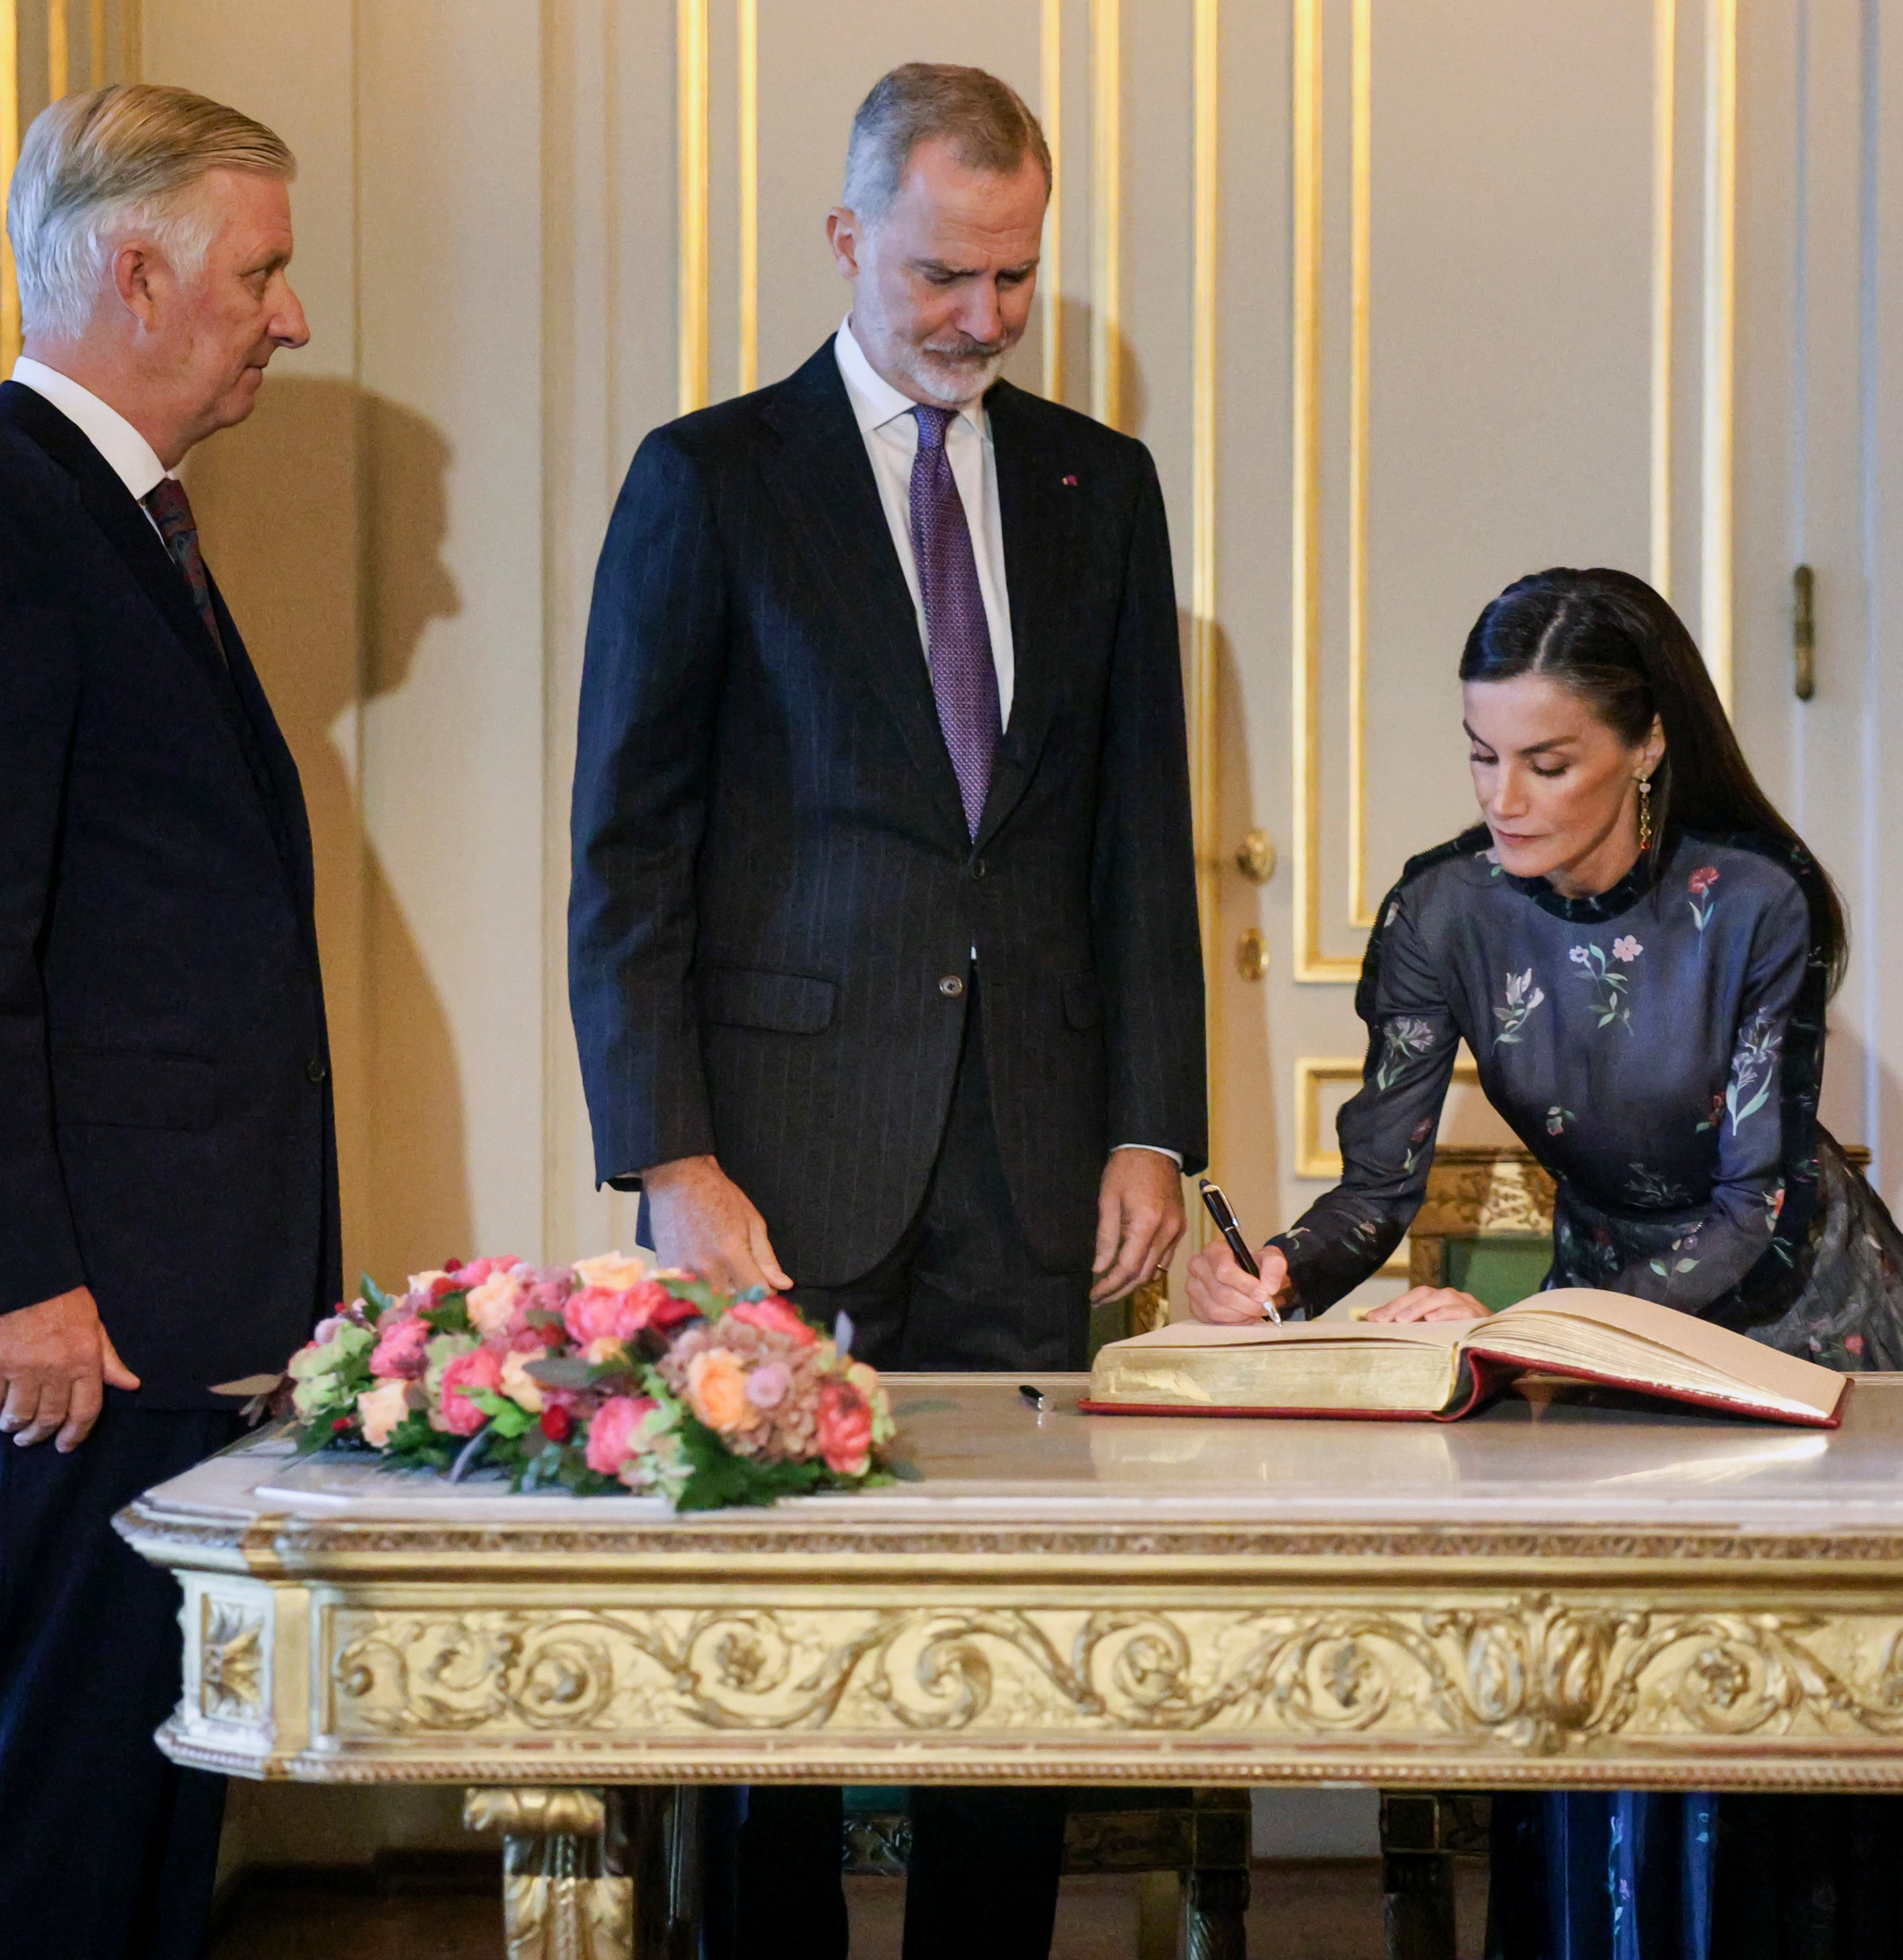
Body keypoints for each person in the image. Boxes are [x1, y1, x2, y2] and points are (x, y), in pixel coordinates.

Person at [569, 60, 1206, 1960]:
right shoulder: (708, 481)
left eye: (1014, 279)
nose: (982, 321)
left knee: (999, 1659)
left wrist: (1150, 1124)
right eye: (943, 275)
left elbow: (1133, 839)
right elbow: (627, 860)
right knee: (776, 1670)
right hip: (772, 1173)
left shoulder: (1103, 486)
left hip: (1029, 1162)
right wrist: (667, 1158)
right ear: (849, 240)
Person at [1181, 567, 1903, 1960]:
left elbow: (1753, 1205)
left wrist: (1537, 1327)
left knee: (1795, 1707)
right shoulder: (1441, 914)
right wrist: (1277, 1271)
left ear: (1644, 748)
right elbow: (1378, 1188)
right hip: (1590, 1326)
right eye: (1479, 756)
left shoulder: (1760, 902)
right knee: (1603, 1687)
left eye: (1546, 760)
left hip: (1802, 1314)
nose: (1501, 797)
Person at [0, 85, 331, 1960]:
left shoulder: (120, 525)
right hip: (51, 1343)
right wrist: (17, 1282)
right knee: (30, 1851)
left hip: (150, 1334)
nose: (288, 316)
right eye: (260, 271)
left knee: (132, 1850)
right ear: (138, 271)